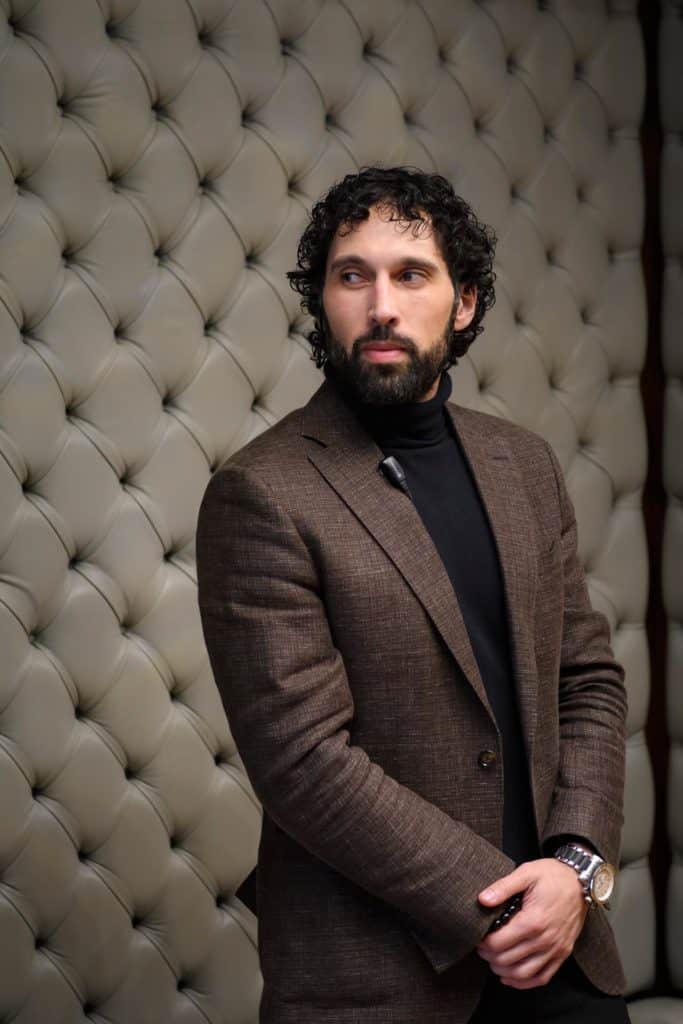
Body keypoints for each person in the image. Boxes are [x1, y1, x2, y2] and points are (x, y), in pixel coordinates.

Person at [196, 166, 630, 1023]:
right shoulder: (261, 492)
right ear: (323, 301)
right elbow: (303, 762)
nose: (381, 306)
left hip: (560, 949)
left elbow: (586, 681)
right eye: (351, 276)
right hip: (377, 978)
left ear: (462, 302)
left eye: (411, 274)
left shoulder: (525, 465)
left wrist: (574, 870)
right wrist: (500, 902)